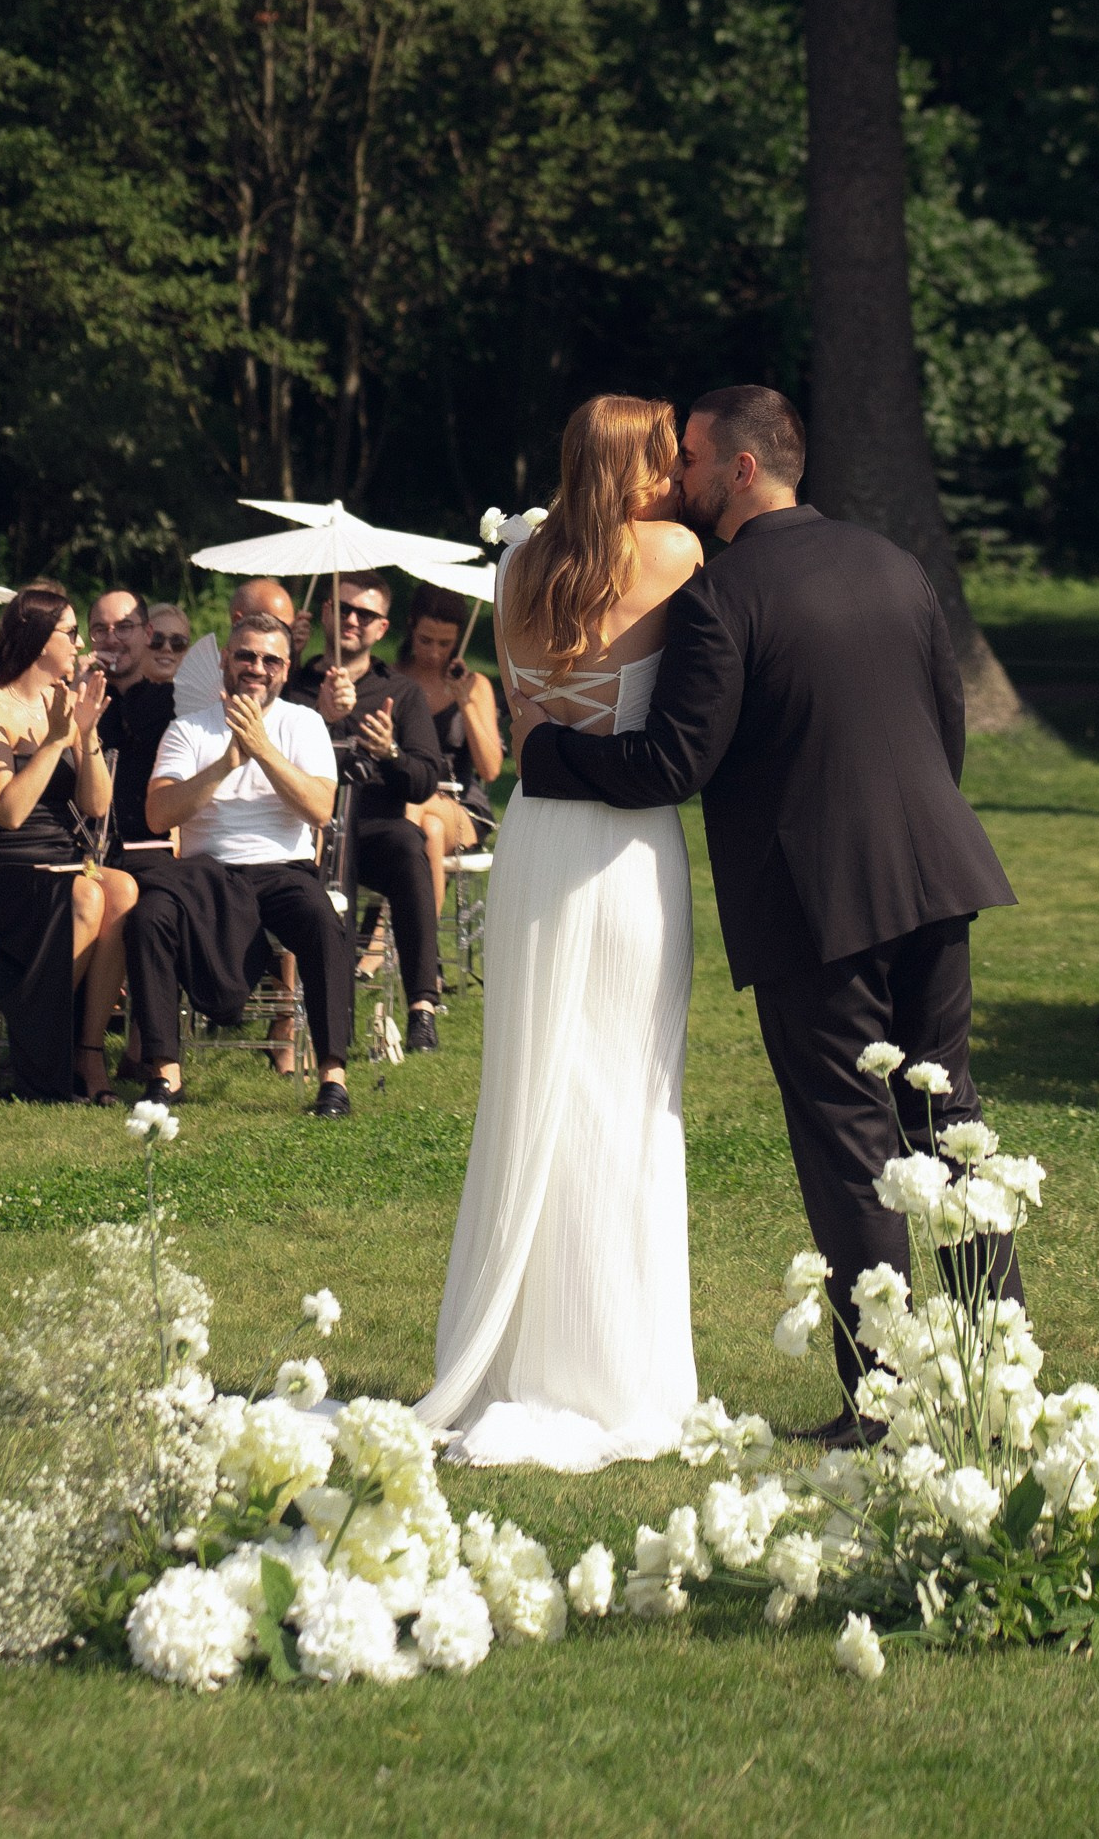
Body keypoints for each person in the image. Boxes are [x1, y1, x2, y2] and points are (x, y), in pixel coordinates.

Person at [516, 382, 1019, 1441]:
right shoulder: (894, 562)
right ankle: (995, 1371)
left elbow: (671, 761)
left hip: (812, 902)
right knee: (947, 1119)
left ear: (740, 469)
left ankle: (878, 1399)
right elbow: (942, 730)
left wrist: (544, 749)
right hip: (934, 876)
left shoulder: (723, 592)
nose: (680, 477)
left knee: (850, 1140)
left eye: (692, 458)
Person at [414, 393, 705, 1463]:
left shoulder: (517, 560)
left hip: (536, 834)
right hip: (624, 841)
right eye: (667, 458)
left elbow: (529, 708)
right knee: (625, 1090)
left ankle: (519, 1346)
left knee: (534, 1084)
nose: (679, 475)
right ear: (636, 468)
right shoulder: (672, 549)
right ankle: (610, 1361)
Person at [126, 614, 352, 1115]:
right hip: (205, 874)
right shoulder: (188, 730)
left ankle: (333, 1078)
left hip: (284, 868)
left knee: (321, 921)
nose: (257, 667)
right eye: (246, 655)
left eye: (270, 659)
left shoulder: (304, 723)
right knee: (148, 917)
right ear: (226, 659)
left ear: (285, 669)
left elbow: (319, 809)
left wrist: (263, 751)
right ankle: (164, 1073)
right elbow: (159, 814)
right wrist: (227, 762)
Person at [0, 584, 134, 1103]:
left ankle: (88, 1054)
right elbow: (7, 812)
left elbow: (96, 806)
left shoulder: (65, 703)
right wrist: (54, 741)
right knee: (90, 895)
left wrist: (85, 734)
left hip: (59, 860)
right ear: (36, 639)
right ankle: (33, 1048)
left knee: (122, 890)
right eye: (70, 633)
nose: (79, 644)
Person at [318, 582, 446, 1050]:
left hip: (377, 826)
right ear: (327, 612)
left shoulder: (401, 693)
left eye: (365, 615)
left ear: (382, 627)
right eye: (345, 609)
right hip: (310, 827)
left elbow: (424, 779)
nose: (352, 621)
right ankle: (332, 1017)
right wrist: (320, 714)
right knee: (333, 868)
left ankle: (422, 1008)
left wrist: (388, 751)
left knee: (412, 847)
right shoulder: (292, 681)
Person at [399, 585, 505, 925]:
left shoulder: (477, 686)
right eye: (426, 640)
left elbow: (490, 770)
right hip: (412, 804)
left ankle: (377, 931)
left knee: (416, 807)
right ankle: (426, 958)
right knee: (427, 829)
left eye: (445, 644)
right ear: (411, 626)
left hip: (461, 808)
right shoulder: (392, 678)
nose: (434, 653)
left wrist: (465, 701)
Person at [100, 602, 188, 877]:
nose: (166, 649)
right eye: (158, 639)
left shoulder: (193, 710)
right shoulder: (105, 698)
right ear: (145, 638)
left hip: (167, 843)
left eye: (178, 642)